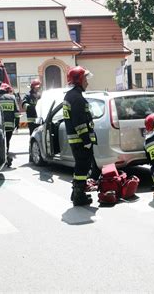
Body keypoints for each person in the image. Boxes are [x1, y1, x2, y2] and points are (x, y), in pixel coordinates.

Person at [63, 66, 97, 206]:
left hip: (76, 140)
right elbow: (79, 122)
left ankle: (76, 193)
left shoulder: (71, 96)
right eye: (85, 79)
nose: (87, 82)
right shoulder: (76, 98)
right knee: (82, 168)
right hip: (80, 141)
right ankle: (79, 195)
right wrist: (86, 140)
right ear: (79, 80)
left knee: (80, 167)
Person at [0, 83, 20, 167]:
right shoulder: (12, 98)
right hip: (10, 125)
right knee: (7, 142)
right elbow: (17, 112)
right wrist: (17, 124)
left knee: (1, 143)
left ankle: (3, 159)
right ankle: (6, 158)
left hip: (0, 126)